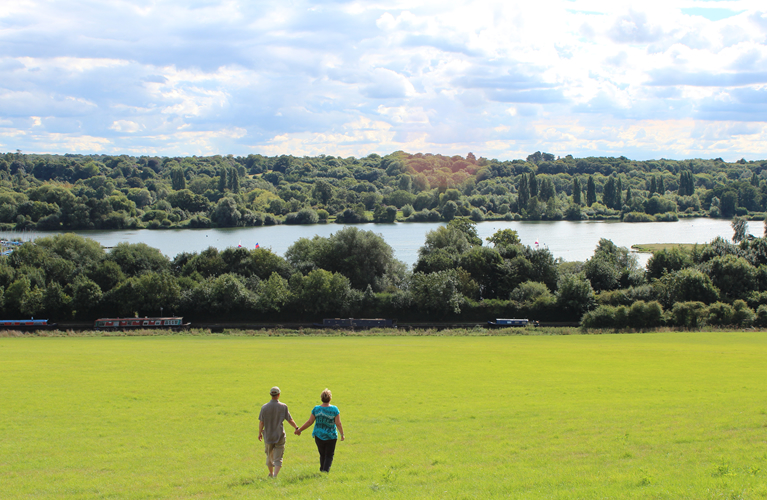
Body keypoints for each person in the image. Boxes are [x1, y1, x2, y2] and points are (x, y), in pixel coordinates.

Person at [295, 388, 344, 473]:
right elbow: (338, 423)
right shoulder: (334, 409)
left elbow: (310, 422)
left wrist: (300, 430)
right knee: (329, 455)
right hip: (331, 436)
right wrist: (342, 434)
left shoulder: (316, 409)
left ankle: (322, 470)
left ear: (321, 398)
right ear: (330, 398)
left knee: (322, 454)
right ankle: (325, 471)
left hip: (319, 435)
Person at [258, 386, 299, 478]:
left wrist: (260, 433)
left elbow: (261, 422)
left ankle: (271, 473)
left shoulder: (264, 407)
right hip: (279, 435)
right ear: (279, 395)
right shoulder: (283, 407)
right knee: (278, 456)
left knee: (269, 455)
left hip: (268, 436)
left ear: (270, 395)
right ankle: (275, 475)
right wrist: (296, 428)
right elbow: (290, 419)